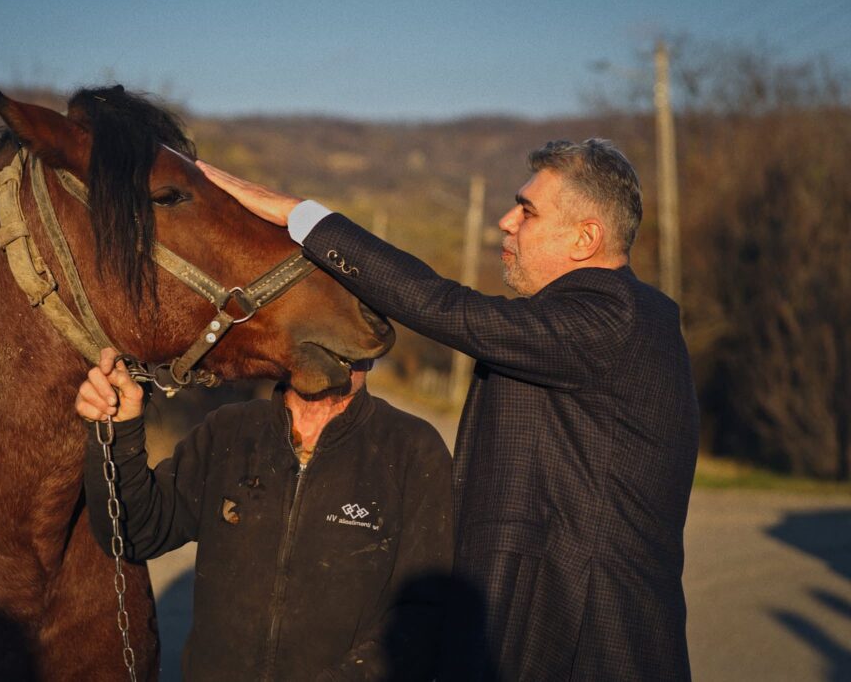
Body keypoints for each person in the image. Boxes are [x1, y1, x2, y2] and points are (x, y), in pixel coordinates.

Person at [196, 138, 700, 681]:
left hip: (586, 643)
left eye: (527, 210)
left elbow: (447, 308)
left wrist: (306, 219)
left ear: (586, 237)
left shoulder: (612, 317)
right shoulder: (592, 323)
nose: (506, 222)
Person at [76, 348, 452, 680]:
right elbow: (134, 531)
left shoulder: (413, 450)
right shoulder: (229, 431)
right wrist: (119, 428)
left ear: (370, 343)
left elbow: (424, 615)